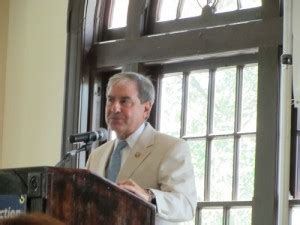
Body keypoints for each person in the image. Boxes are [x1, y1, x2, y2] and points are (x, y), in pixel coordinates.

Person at [86, 72, 197, 225]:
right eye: (110, 100)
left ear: (146, 108)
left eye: (124, 101)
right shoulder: (97, 155)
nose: (114, 108)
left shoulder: (170, 148)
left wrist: (148, 196)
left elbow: (186, 206)